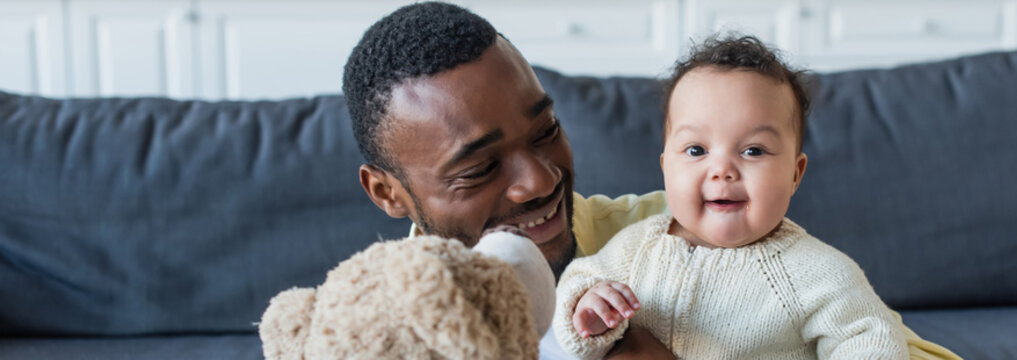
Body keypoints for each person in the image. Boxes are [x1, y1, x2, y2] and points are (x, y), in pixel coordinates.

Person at [342, 2, 960, 359]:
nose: (537, 180)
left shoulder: (680, 227)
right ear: (387, 192)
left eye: (545, 131)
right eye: (478, 169)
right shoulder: (386, 327)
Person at [553, 35, 908, 360]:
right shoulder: (636, 247)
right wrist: (589, 309)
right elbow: (576, 285)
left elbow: (873, 342)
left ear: (795, 174)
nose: (722, 169)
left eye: (753, 150)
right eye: (696, 149)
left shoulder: (816, 272)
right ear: (665, 168)